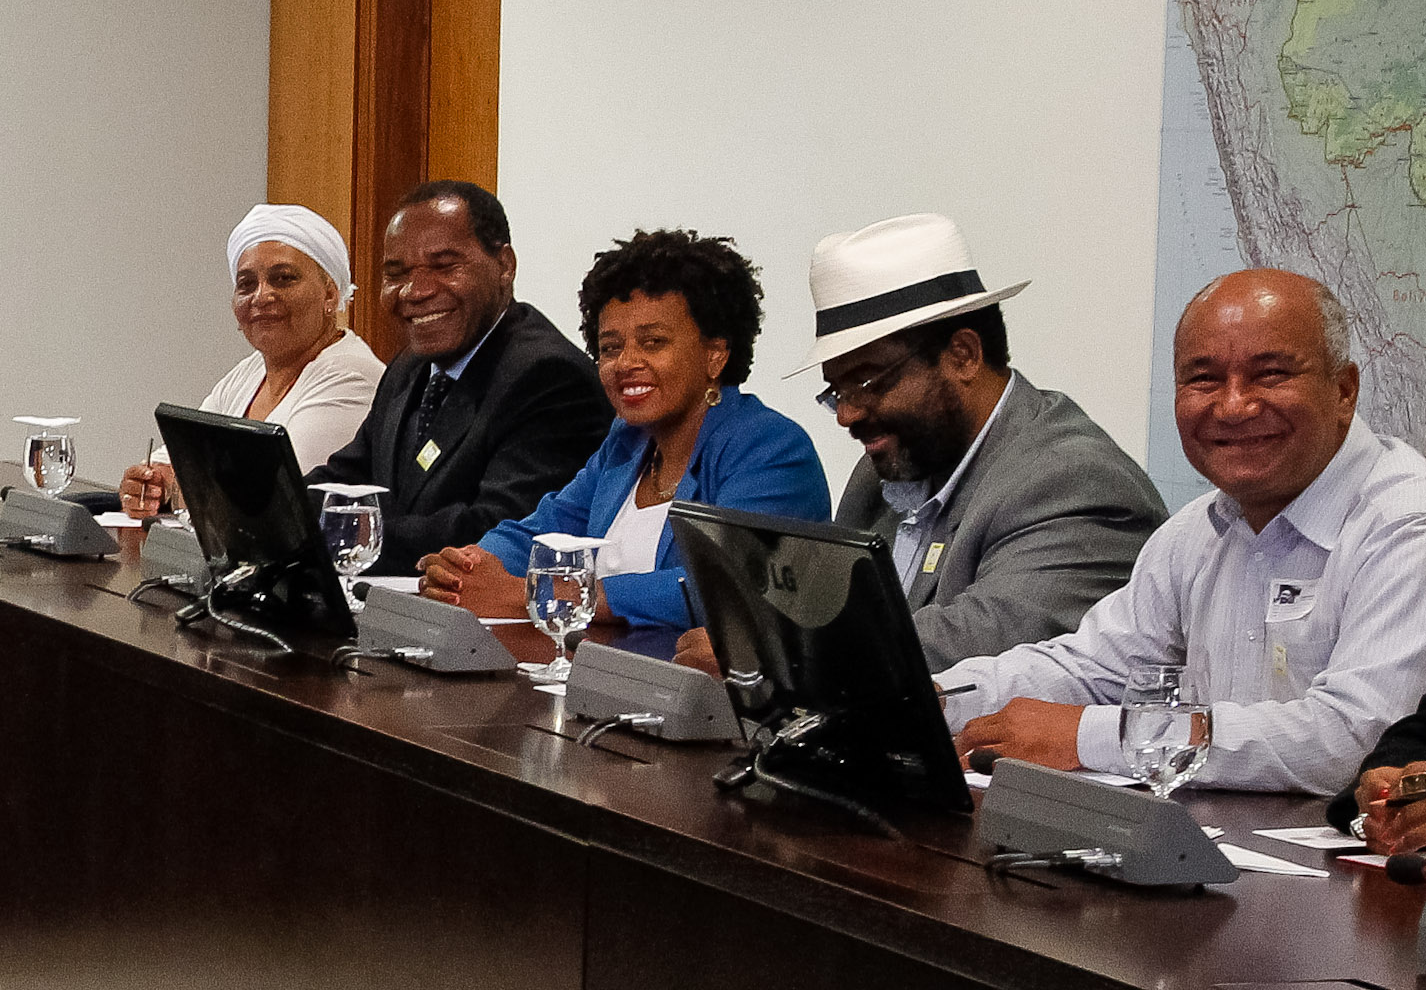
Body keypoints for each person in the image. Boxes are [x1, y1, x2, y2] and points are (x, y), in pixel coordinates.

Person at [945, 270, 1426, 791]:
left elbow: (1354, 737)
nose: (1234, 405)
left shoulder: (1405, 524)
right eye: (1204, 379)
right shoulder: (1196, 531)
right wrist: (930, 700)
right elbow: (1090, 669)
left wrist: (1092, 736)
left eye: (1270, 375)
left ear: (1344, 390)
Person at [677, 214, 1164, 677]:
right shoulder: (883, 471)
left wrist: (775, 646)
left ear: (964, 355)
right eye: (837, 391)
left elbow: (980, 639)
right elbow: (823, 605)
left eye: (866, 382)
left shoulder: (1074, 481)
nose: (846, 415)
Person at [416, 230, 826, 630]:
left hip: (702, 691)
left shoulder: (770, 450)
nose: (625, 362)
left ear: (715, 355)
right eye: (610, 347)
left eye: (653, 343)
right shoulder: (627, 443)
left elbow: (725, 585)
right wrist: (465, 567)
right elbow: (546, 529)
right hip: (607, 678)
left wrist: (540, 594)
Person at [302, 180, 614, 562]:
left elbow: (491, 533)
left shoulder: (549, 377)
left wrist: (336, 531)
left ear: (505, 265)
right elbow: (346, 479)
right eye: (396, 273)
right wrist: (271, 513)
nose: (414, 291)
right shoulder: (410, 366)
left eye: (444, 266)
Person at [116, 203, 383, 516]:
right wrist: (149, 484)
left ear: (330, 294)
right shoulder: (252, 370)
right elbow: (175, 459)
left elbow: (272, 495)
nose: (261, 296)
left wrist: (181, 487)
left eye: (283, 278)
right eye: (246, 284)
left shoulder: (353, 375)